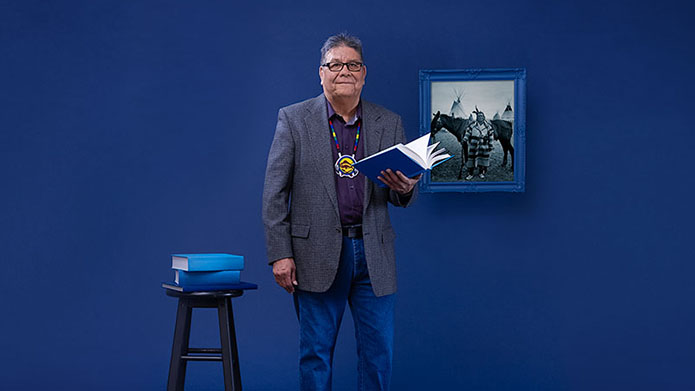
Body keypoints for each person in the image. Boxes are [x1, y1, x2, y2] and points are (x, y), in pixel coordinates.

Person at [262, 33, 420, 391]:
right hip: (313, 254)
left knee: (378, 354)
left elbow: (398, 195)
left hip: (373, 253)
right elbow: (274, 193)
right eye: (335, 65)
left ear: (364, 73)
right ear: (321, 73)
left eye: (352, 65)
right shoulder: (293, 120)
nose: (344, 71)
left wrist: (407, 189)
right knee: (315, 354)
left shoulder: (388, 121)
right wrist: (280, 254)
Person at [463, 106, 496, 180]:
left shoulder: (488, 127)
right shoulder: (472, 125)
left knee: (483, 160)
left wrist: (491, 145)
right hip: (473, 145)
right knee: (471, 159)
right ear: (477, 118)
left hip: (484, 145)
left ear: (484, 117)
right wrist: (465, 139)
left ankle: (481, 173)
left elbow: (491, 137)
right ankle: (470, 174)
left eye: (481, 116)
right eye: (479, 116)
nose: (480, 118)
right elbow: (467, 133)